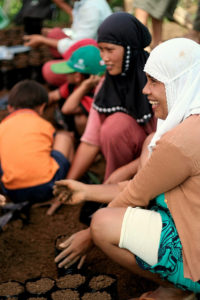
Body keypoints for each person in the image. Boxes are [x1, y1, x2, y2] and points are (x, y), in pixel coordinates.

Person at [55, 38, 200, 299]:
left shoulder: (183, 140)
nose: (145, 90)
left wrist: (88, 236)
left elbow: (137, 194)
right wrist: (86, 191)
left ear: (181, 81)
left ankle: (179, 286)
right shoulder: (190, 124)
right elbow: (146, 186)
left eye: (155, 82)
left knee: (102, 223)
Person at [48, 11, 156, 215]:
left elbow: (161, 143)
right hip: (126, 165)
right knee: (113, 127)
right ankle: (114, 191)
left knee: (117, 126)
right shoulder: (107, 86)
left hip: (156, 161)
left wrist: (122, 172)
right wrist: (67, 184)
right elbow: (90, 142)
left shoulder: (155, 82)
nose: (104, 58)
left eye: (110, 50)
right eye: (101, 50)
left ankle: (128, 192)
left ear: (130, 49)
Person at [0, 80, 73, 204]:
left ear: (9, 107)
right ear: (42, 107)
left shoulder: (2, 127)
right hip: (49, 187)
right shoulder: (44, 125)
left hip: (13, 192)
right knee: (64, 137)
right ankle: (69, 184)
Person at [49, 44, 106, 136]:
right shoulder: (72, 85)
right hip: (69, 124)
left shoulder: (96, 95)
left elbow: (66, 109)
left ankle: (80, 141)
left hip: (94, 134)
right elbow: (52, 96)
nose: (65, 75)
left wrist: (84, 87)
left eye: (68, 72)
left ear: (78, 76)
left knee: (80, 119)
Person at [23, 0, 112, 58]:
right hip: (91, 48)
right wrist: (61, 32)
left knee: (48, 70)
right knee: (55, 33)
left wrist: (43, 40)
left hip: (96, 55)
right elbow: (78, 33)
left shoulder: (91, 8)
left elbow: (78, 45)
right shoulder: (83, 4)